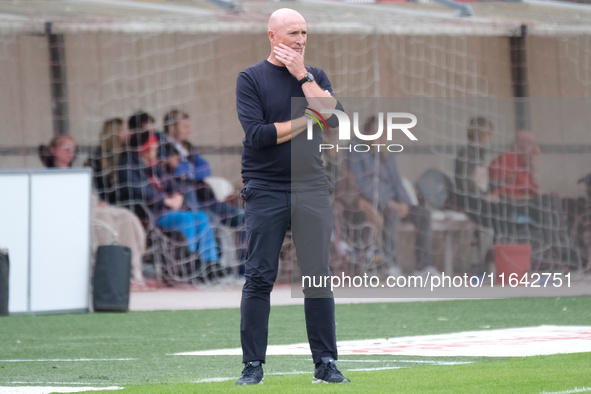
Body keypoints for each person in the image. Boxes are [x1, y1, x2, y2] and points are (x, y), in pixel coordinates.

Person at [234, 8, 349, 385]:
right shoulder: (250, 79)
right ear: (272, 36)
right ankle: (253, 366)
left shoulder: (314, 77)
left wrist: (303, 77)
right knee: (259, 277)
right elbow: (259, 135)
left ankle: (326, 363)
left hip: (311, 186)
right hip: (265, 188)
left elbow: (335, 120)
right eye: (292, 33)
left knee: (318, 276)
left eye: (304, 33)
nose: (300, 40)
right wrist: (307, 119)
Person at [40, 134, 148, 290]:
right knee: (104, 220)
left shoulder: (80, 175)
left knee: (126, 217)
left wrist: (98, 203)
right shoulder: (47, 177)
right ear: (53, 150)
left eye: (73, 148)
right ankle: (109, 272)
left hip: (94, 209)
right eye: (65, 147)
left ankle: (132, 272)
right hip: (75, 215)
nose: (70, 152)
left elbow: (94, 197)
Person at [116, 129, 222, 280]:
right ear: (144, 150)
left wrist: (178, 195)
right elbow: (139, 190)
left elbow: (173, 183)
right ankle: (190, 264)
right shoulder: (130, 168)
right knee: (186, 219)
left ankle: (211, 263)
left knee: (201, 217)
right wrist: (165, 200)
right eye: (153, 148)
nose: (157, 150)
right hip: (153, 214)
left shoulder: (155, 166)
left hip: (170, 210)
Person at [348, 115, 436, 277]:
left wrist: (406, 204)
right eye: (376, 133)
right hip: (372, 202)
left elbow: (396, 181)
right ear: (366, 133)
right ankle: (390, 263)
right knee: (391, 212)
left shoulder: (386, 152)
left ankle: (422, 267)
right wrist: (391, 203)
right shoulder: (355, 150)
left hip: (395, 202)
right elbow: (362, 184)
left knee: (423, 215)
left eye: (383, 134)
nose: (381, 138)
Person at [157, 109, 246, 264]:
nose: (189, 130)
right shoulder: (161, 148)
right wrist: (186, 171)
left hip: (207, 198)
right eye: (184, 127)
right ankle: (211, 267)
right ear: (172, 127)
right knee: (209, 220)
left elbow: (205, 169)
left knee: (244, 218)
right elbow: (173, 174)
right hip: (190, 202)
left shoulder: (187, 147)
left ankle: (245, 271)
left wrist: (187, 171)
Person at [488, 130, 581, 268]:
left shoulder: (524, 163)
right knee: (546, 201)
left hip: (528, 204)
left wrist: (532, 163)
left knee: (551, 198)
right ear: (518, 144)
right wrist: (523, 196)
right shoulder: (503, 160)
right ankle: (559, 248)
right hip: (509, 206)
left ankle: (560, 244)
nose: (534, 146)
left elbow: (535, 190)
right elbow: (500, 192)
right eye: (530, 143)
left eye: (534, 143)